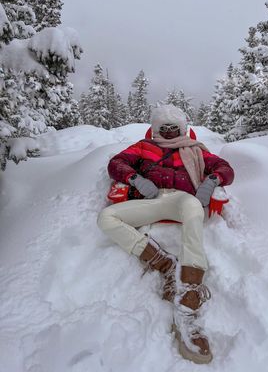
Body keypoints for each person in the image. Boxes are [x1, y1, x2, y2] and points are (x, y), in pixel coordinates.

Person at [97, 104, 234, 364]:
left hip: (183, 200)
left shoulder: (196, 150)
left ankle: (191, 290)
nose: (169, 132)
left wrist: (212, 180)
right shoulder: (143, 146)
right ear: (156, 127)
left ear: (182, 128)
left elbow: (226, 168)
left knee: (194, 209)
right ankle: (163, 263)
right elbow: (116, 164)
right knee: (107, 218)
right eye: (164, 128)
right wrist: (136, 179)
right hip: (151, 198)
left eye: (174, 128)